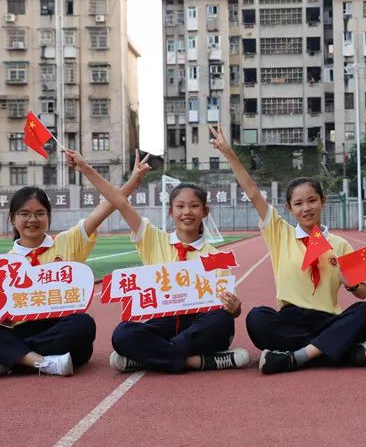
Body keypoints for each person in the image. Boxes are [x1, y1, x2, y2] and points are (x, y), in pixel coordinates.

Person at [0, 151, 150, 377]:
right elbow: (6, 321)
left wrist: (133, 182)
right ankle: (41, 362)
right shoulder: (5, 264)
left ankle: (10, 359)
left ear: (48, 216)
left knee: (83, 324)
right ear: (12, 219)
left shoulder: (68, 242)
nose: (32, 220)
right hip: (26, 330)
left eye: (39, 213)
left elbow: (106, 208)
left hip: (62, 327)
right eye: (24, 214)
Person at [209, 124, 366, 375]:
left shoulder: (339, 243)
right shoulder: (280, 234)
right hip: (290, 320)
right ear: (289, 208)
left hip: (327, 319)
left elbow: (363, 294)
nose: (306, 208)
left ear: (323, 201)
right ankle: (336, 351)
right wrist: (229, 154)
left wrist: (351, 284)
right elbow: (254, 192)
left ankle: (296, 357)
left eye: (312, 200)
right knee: (256, 318)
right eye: (299, 203)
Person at [65, 149, 249, 374]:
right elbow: (119, 202)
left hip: (198, 324)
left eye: (194, 206)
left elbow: (227, 304)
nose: (187, 212)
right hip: (164, 323)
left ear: (204, 211)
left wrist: (235, 309)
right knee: (123, 333)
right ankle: (198, 361)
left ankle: (147, 358)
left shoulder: (215, 256)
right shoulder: (153, 239)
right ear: (171, 212)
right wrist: (85, 168)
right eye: (180, 206)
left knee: (222, 321)